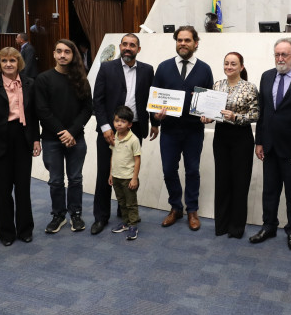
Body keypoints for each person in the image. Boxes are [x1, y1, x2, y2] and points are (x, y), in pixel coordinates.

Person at [251, 38, 291, 251]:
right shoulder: (266, 76)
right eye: (277, 54)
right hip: (269, 147)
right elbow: (263, 113)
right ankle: (268, 226)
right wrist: (259, 141)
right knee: (269, 191)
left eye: (284, 55)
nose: (280, 58)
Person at [151, 25, 213, 230]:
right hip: (169, 130)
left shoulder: (204, 69)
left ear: (196, 43)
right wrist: (156, 117)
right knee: (169, 170)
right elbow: (154, 98)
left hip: (194, 130)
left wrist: (208, 116)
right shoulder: (163, 67)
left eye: (187, 40)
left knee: (192, 170)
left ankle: (192, 210)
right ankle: (176, 207)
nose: (183, 44)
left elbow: (209, 101)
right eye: (179, 40)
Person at [91, 33, 155, 235]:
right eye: (125, 44)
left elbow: (150, 99)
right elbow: (97, 101)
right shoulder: (107, 68)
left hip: (135, 129)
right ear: (120, 46)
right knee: (105, 174)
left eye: (132, 45)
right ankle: (101, 217)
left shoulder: (147, 70)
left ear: (138, 49)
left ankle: (125, 212)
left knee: (128, 174)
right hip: (110, 131)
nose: (128, 48)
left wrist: (155, 122)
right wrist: (105, 127)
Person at [0, 47, 42, 246]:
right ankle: (6, 232)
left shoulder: (30, 83)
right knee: (4, 190)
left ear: (19, 63)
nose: (8, 64)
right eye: (4, 61)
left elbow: (33, 116)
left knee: (23, 188)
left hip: (23, 138)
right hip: (0, 140)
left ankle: (25, 229)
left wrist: (36, 139)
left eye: (12, 61)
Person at [34, 39, 93, 234]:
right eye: (58, 51)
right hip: (52, 139)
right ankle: (58, 215)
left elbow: (87, 109)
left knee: (75, 179)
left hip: (76, 138)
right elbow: (42, 110)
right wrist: (63, 133)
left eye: (67, 52)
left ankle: (75, 214)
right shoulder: (43, 79)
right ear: (53, 54)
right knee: (56, 181)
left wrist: (72, 132)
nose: (62, 55)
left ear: (73, 54)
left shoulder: (81, 78)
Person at [200, 52, 260, 238]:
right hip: (221, 137)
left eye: (233, 64)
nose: (229, 67)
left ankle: (236, 228)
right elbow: (210, 111)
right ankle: (222, 225)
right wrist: (205, 116)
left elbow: (256, 115)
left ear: (241, 67)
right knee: (222, 181)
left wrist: (236, 117)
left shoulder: (250, 87)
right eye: (226, 63)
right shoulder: (217, 85)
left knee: (240, 182)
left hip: (241, 137)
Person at [108, 106, 142, 241]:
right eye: (116, 121)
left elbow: (137, 159)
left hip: (128, 178)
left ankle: (133, 225)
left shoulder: (133, 140)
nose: (119, 124)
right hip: (116, 176)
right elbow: (113, 155)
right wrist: (111, 174)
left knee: (131, 203)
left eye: (122, 121)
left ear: (130, 124)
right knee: (122, 202)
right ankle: (126, 223)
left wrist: (134, 178)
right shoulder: (114, 137)